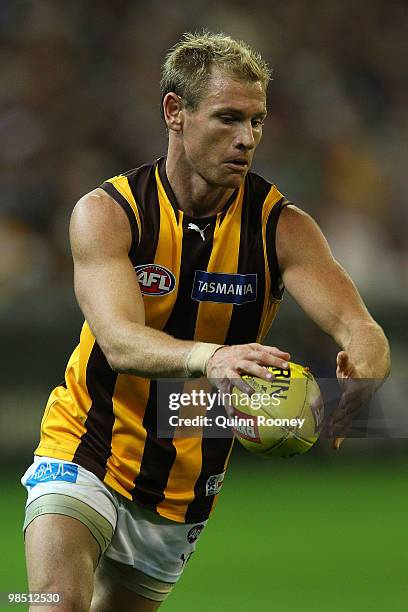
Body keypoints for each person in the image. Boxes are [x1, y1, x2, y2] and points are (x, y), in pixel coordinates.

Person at [21, 31, 390, 611]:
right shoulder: (107, 213)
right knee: (52, 603)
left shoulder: (281, 228)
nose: (247, 138)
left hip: (185, 478)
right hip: (86, 442)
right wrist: (211, 357)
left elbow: (361, 328)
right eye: (227, 118)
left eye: (257, 121)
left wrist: (360, 382)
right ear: (175, 112)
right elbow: (119, 342)